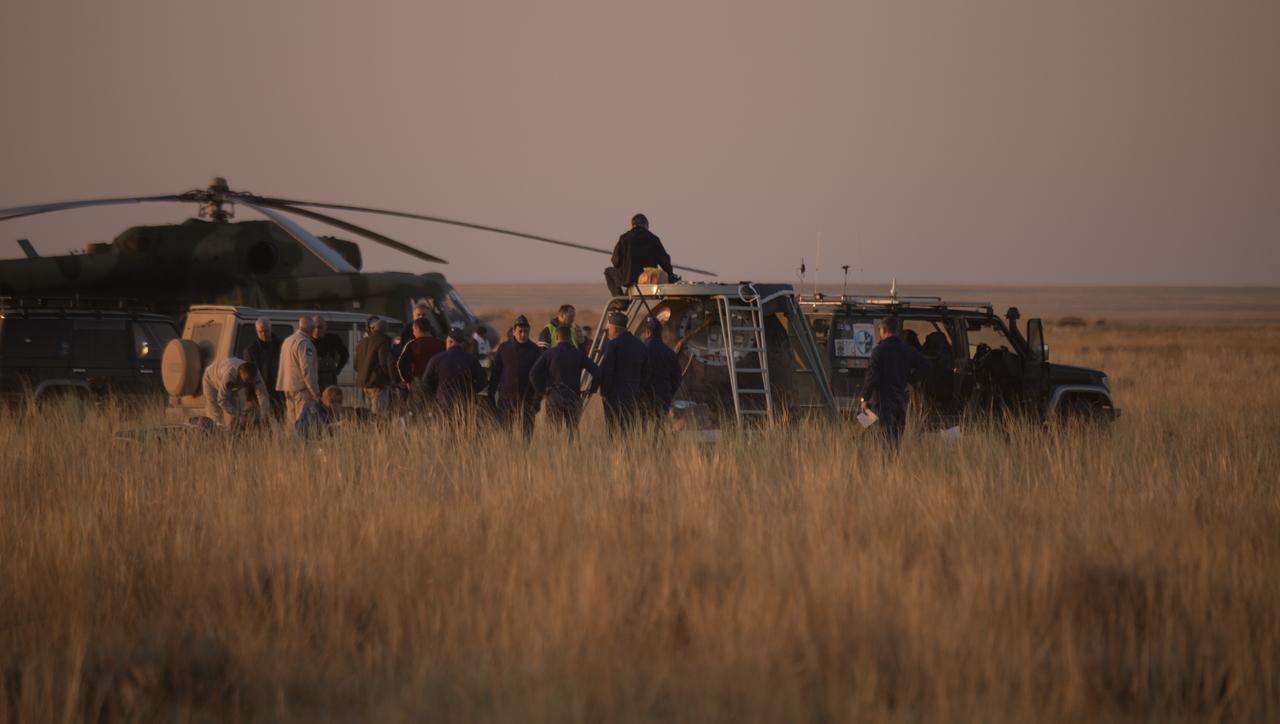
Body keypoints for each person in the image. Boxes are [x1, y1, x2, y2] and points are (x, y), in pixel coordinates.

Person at [859, 317, 932, 448]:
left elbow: (872, 377)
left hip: (883, 400)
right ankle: (895, 463)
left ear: (883, 330)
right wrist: (910, 379)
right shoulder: (908, 349)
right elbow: (926, 365)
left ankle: (885, 465)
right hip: (901, 399)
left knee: (885, 437)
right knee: (897, 437)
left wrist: (864, 397)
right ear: (897, 330)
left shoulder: (879, 351)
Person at [530, 325, 600, 439]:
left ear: (557, 336)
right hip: (573, 396)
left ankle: (554, 455)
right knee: (573, 432)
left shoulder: (549, 354)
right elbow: (597, 372)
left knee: (552, 433)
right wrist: (591, 390)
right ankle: (574, 454)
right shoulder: (578, 354)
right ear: (569, 337)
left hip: (554, 397)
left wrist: (542, 391)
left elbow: (533, 373)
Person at [488, 315, 543, 440]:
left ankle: (525, 458)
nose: (523, 334)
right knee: (505, 436)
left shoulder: (535, 351)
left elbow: (540, 378)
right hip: (506, 400)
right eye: (520, 331)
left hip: (527, 401)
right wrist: (491, 395)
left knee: (526, 437)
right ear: (514, 331)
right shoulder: (503, 348)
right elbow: (496, 373)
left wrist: (537, 401)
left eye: (526, 331)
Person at [598, 311, 649, 436]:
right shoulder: (640, 345)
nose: (608, 331)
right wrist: (639, 389)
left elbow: (608, 370)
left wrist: (604, 392)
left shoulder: (613, 345)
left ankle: (615, 455)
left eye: (609, 328)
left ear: (614, 328)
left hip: (614, 397)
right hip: (633, 395)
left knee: (614, 433)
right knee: (629, 431)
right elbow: (647, 371)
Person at [604, 213, 675, 296]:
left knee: (608, 271)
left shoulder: (624, 238)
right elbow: (665, 261)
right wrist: (671, 276)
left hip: (629, 280)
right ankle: (624, 300)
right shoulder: (654, 238)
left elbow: (615, 261)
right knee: (634, 283)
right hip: (649, 280)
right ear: (646, 225)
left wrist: (625, 267)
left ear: (632, 225)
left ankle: (620, 300)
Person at [422, 329, 487, 415]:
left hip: (442, 403)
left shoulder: (436, 359)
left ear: (450, 341)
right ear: (461, 343)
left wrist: (436, 394)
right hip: (465, 402)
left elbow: (426, 382)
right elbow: (482, 381)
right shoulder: (471, 359)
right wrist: (471, 391)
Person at [202, 357, 270, 429]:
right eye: (247, 380)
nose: (249, 382)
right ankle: (217, 434)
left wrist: (264, 416)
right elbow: (222, 400)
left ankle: (235, 432)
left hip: (232, 380)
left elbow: (263, 394)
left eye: (251, 380)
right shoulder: (230, 375)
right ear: (240, 373)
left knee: (239, 408)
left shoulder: (256, 374)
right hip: (211, 379)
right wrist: (239, 415)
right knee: (216, 414)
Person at [277, 316, 321, 424]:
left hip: (287, 388)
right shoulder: (304, 343)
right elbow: (307, 370)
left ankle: (290, 441)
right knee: (303, 421)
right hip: (301, 390)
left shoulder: (288, 340)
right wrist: (315, 392)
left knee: (291, 421)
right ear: (312, 329)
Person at [640, 317, 682, 421]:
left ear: (647, 332)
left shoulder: (641, 350)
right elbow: (677, 377)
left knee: (643, 428)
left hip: (644, 397)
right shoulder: (670, 353)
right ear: (660, 332)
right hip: (664, 396)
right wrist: (669, 393)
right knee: (659, 427)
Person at [397, 318, 446, 406]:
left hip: (419, 382)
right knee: (437, 410)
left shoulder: (412, 345)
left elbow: (400, 364)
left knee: (419, 411)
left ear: (418, 329)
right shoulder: (442, 344)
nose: (413, 333)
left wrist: (408, 380)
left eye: (413, 330)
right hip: (438, 383)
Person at [240, 319, 282, 415]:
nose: (263, 334)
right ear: (256, 332)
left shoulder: (280, 345)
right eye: (260, 331)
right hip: (260, 390)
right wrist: (249, 397)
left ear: (271, 329)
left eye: (266, 331)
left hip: (279, 390)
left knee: (280, 419)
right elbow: (248, 375)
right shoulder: (251, 350)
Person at [355, 317, 395, 416]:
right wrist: (391, 379)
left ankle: (369, 430)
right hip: (378, 383)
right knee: (378, 414)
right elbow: (384, 363)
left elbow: (355, 365)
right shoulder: (383, 342)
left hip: (364, 384)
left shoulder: (362, 342)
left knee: (368, 414)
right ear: (386, 330)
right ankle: (378, 431)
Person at [311, 316, 349, 390]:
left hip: (328, 378)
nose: (317, 330)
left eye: (320, 327)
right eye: (314, 327)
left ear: (325, 328)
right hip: (312, 378)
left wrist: (338, 370)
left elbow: (345, 355)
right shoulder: (306, 341)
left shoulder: (333, 339)